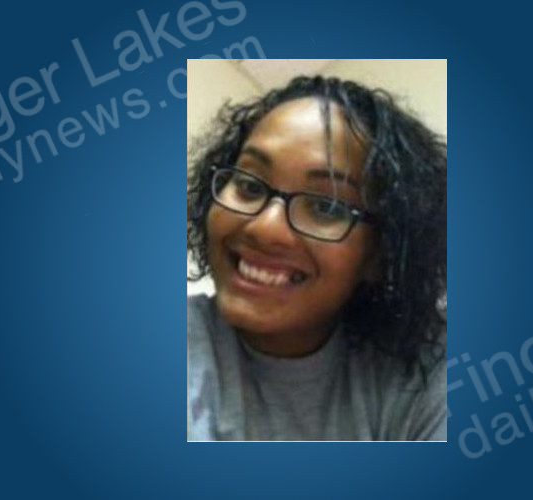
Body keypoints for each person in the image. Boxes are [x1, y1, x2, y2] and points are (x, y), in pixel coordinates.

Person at [187, 75, 447, 441]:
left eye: (326, 207)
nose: (265, 228)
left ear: (380, 253)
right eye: (249, 185)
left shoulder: (428, 368)